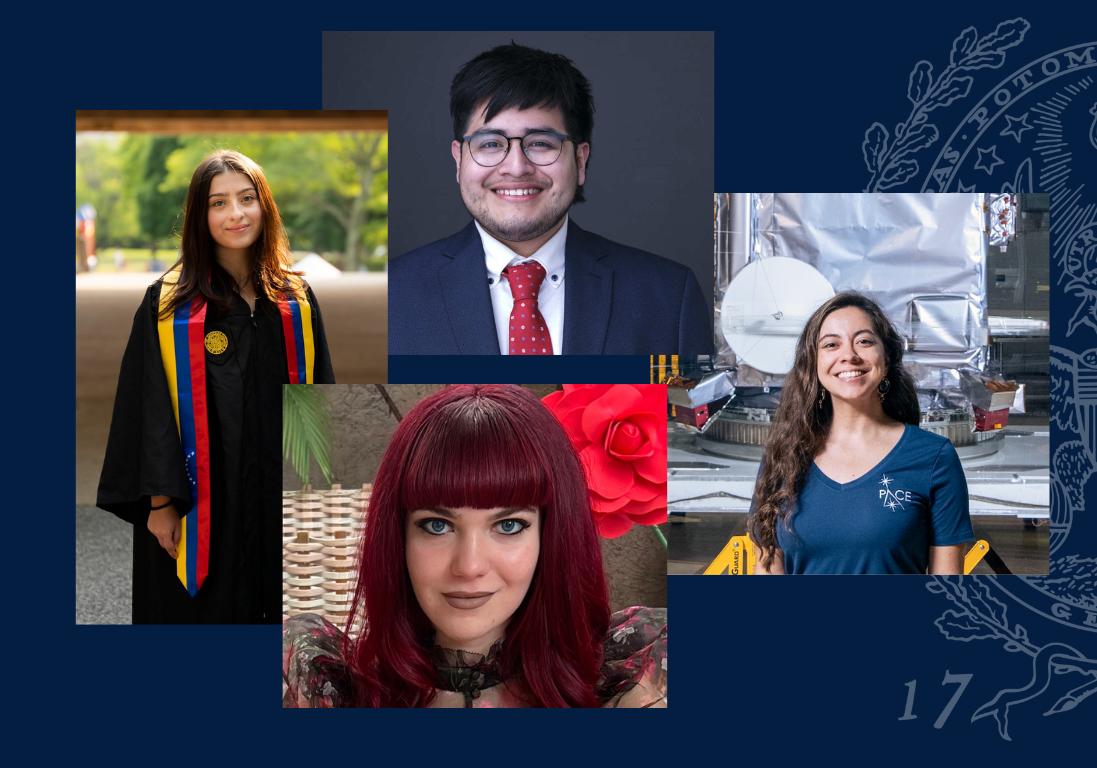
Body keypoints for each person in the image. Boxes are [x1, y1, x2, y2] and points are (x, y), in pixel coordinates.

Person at [282, 385, 667, 707]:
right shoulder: (323, 684)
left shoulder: (632, 677)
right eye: (437, 525)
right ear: (397, 537)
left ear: (551, 536)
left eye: (509, 525)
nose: (469, 567)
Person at [97, 149, 334, 623]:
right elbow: (148, 408)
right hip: (198, 499)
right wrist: (161, 502)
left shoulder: (295, 301)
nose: (236, 214)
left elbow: (319, 401)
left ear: (264, 206)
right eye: (218, 202)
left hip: (274, 495)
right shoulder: (168, 306)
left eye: (247, 198)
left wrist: (321, 496)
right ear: (199, 216)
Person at [388, 42, 712, 356]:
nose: (516, 167)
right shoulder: (390, 295)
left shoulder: (669, 296)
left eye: (541, 142)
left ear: (581, 161)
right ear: (459, 160)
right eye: (490, 144)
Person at [747, 292, 973, 574]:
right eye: (831, 344)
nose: (849, 356)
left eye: (864, 341)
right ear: (813, 364)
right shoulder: (784, 456)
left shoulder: (934, 458)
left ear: (887, 357)